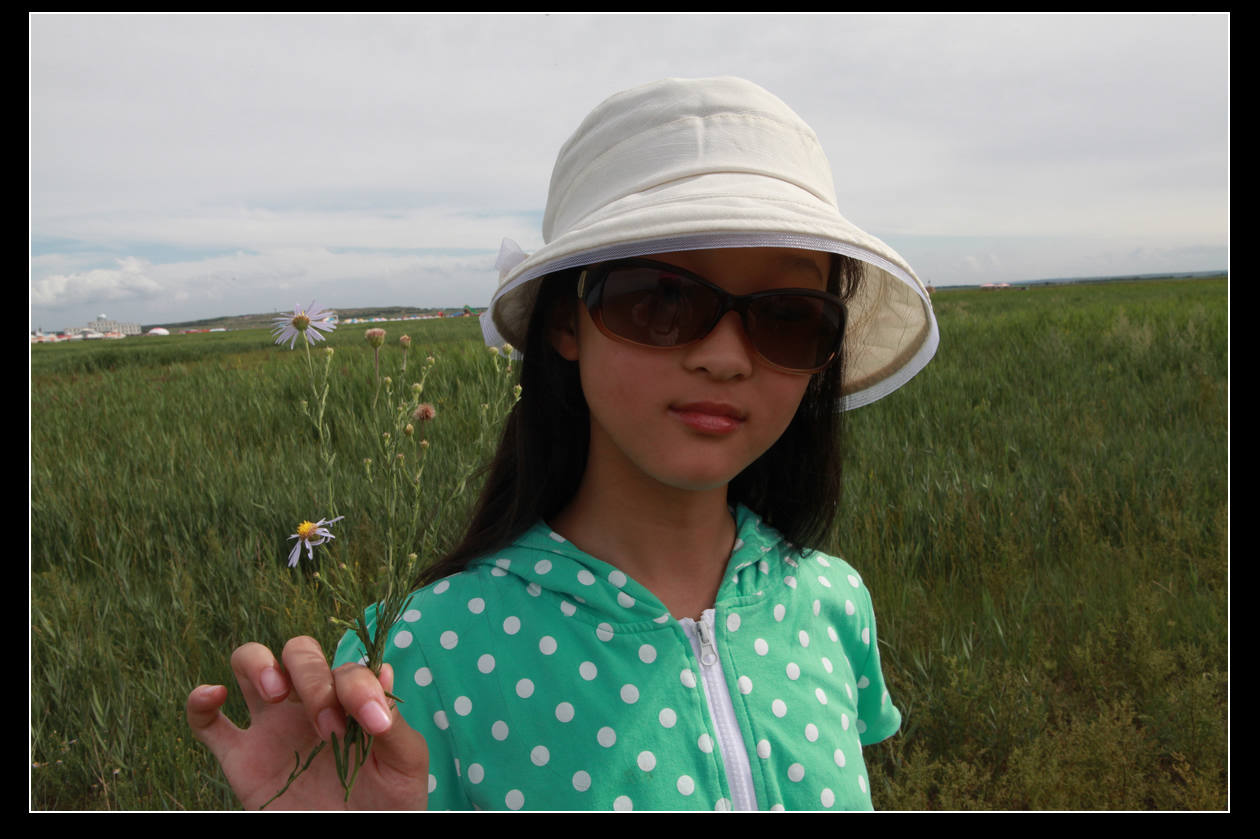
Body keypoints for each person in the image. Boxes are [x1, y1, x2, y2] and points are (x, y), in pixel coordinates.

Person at [186, 76, 938, 811]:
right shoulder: (413, 659)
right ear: (564, 324)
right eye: (662, 298)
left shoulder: (831, 601)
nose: (726, 356)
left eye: (788, 315)